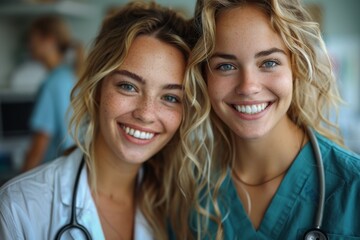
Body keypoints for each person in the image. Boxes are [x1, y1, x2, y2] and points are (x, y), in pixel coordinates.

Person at [0, 2, 194, 239]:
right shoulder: (19, 208)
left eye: (171, 97)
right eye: (128, 86)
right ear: (97, 88)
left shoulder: (182, 211)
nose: (145, 113)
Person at [184, 0, 360, 239]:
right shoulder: (189, 194)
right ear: (203, 76)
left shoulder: (353, 188)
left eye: (269, 62)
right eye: (225, 66)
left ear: (295, 65)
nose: (248, 87)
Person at [23, 16, 84, 171]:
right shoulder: (70, 75)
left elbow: (39, 145)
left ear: (48, 40)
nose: (29, 44)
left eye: (32, 38)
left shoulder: (53, 83)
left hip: (53, 172)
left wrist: (16, 183)